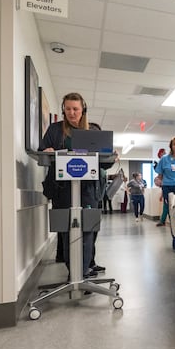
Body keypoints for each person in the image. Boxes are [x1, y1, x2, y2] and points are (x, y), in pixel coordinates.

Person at [39, 92, 111, 278]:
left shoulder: (92, 131)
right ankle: (76, 273)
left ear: (83, 110)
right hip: (62, 189)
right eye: (68, 109)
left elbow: (105, 162)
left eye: (75, 109)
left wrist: (111, 155)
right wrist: (47, 151)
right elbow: (42, 154)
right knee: (67, 232)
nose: (72, 113)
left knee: (88, 230)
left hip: (87, 189)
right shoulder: (55, 130)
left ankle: (83, 271)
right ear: (63, 109)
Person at [153, 136, 175, 227]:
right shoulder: (164, 159)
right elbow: (159, 176)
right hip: (168, 187)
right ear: (171, 147)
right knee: (169, 208)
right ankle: (173, 226)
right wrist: (157, 180)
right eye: (174, 144)